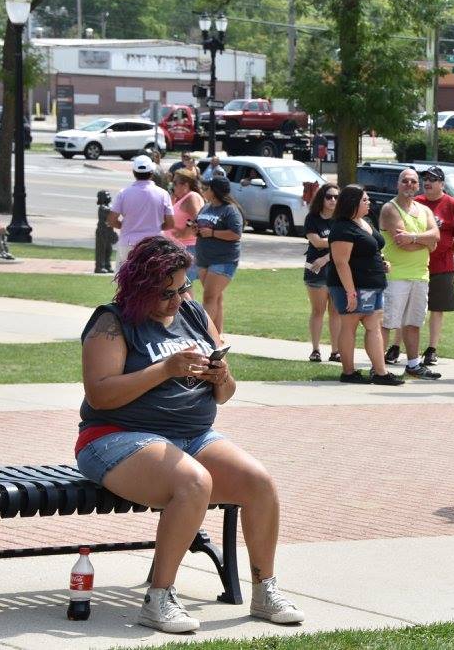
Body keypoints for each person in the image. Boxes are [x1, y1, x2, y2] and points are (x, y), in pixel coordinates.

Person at [77, 236, 303, 633]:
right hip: (116, 437)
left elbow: (227, 394)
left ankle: (265, 590)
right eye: (166, 292)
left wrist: (222, 376)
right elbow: (101, 393)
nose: (177, 299)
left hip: (193, 436)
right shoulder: (111, 322)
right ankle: (159, 599)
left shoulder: (196, 315)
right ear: (140, 287)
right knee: (194, 482)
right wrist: (164, 369)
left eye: (183, 287)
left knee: (259, 482)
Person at [328, 184, 404, 385]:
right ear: (352, 203)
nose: (369, 202)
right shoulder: (342, 228)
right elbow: (341, 262)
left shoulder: (366, 222)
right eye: (364, 200)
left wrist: (382, 263)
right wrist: (350, 292)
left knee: (374, 326)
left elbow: (372, 248)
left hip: (373, 285)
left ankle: (381, 373)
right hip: (352, 286)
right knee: (350, 325)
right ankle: (349, 372)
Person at [379, 168, 442, 380]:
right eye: (404, 181)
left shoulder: (424, 210)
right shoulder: (390, 208)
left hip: (420, 276)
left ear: (418, 185)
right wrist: (425, 242)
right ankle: (378, 368)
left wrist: (414, 238)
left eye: (413, 182)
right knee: (387, 323)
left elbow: (436, 235)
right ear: (398, 184)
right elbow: (401, 243)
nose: (409, 185)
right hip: (395, 276)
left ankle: (413, 365)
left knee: (413, 323)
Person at [408, 166, 454, 366]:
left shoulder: (453, 205)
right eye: (425, 178)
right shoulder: (416, 203)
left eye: (433, 179)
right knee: (410, 308)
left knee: (437, 309)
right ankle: (397, 347)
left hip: (442, 267)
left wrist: (450, 252)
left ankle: (432, 349)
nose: (428, 182)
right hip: (416, 265)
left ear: (442, 184)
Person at [194, 176, 243, 334]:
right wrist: (195, 229)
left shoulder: (230, 210)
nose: (204, 191)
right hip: (204, 259)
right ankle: (217, 336)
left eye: (206, 188)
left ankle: (204, 336)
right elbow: (199, 225)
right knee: (216, 297)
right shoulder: (205, 208)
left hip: (223, 260)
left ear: (214, 191)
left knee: (209, 297)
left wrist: (212, 233)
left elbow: (235, 234)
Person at [108, 155, 175, 262]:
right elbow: (170, 223)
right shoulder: (163, 194)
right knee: (150, 277)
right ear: (152, 173)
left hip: (128, 243)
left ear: (134, 172)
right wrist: (155, 227)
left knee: (126, 278)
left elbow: (111, 220)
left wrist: (124, 225)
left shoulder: (123, 193)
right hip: (154, 244)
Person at [303, 183, 343, 363]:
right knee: (318, 310)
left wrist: (327, 257)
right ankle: (316, 349)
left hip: (337, 270)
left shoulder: (342, 219)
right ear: (322, 198)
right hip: (315, 270)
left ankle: (336, 351)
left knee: (335, 312)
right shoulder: (312, 218)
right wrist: (338, 240)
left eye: (336, 197)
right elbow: (317, 242)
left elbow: (347, 244)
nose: (333, 200)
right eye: (329, 196)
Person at [167, 169, 204, 288]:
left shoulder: (191, 197)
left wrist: (184, 231)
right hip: (178, 248)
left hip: (187, 248)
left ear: (185, 185)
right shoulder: (182, 198)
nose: (173, 185)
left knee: (184, 287)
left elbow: (198, 218)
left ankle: (191, 307)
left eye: (175, 182)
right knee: (179, 287)